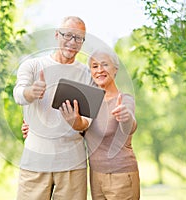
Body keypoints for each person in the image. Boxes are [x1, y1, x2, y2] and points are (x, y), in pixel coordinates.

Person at [22, 48, 140, 199]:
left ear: (115, 69)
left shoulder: (124, 99)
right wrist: (33, 128)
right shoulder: (88, 102)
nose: (100, 70)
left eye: (105, 65)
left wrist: (126, 117)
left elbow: (130, 127)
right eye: (95, 66)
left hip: (121, 174)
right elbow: (76, 129)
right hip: (96, 176)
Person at [13, 16, 94, 200]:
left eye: (79, 38)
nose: (72, 42)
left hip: (73, 165)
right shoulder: (33, 66)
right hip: (35, 162)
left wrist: (77, 122)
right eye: (68, 35)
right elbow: (18, 93)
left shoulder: (88, 74)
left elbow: (87, 122)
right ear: (57, 35)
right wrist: (30, 92)